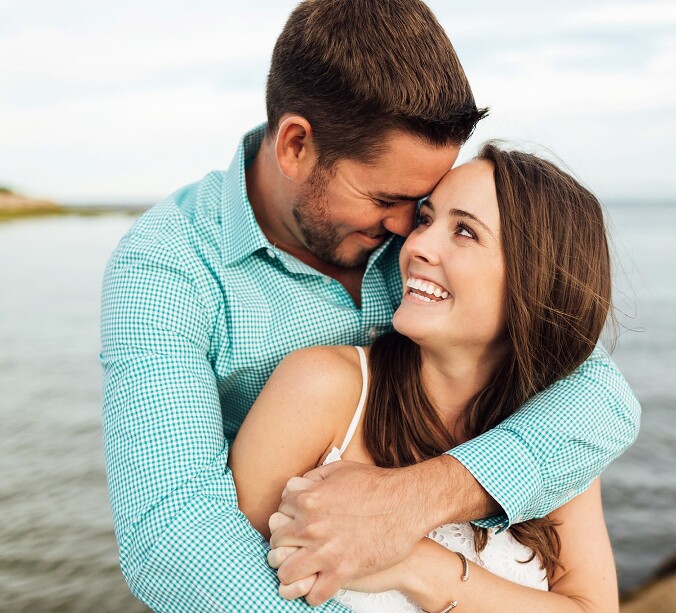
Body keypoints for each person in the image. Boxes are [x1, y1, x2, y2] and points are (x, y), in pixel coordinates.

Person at [100, 1, 639, 611]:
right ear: (296, 145)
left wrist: (416, 503)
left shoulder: (415, 247)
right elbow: (173, 539)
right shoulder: (168, 266)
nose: (410, 230)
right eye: (388, 197)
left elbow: (598, 396)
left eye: (428, 202)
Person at [231, 143, 622, 612]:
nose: (416, 246)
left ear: (534, 281)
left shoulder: (554, 427)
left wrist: (416, 565)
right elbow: (226, 585)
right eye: (425, 219)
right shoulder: (322, 389)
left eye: (464, 232)